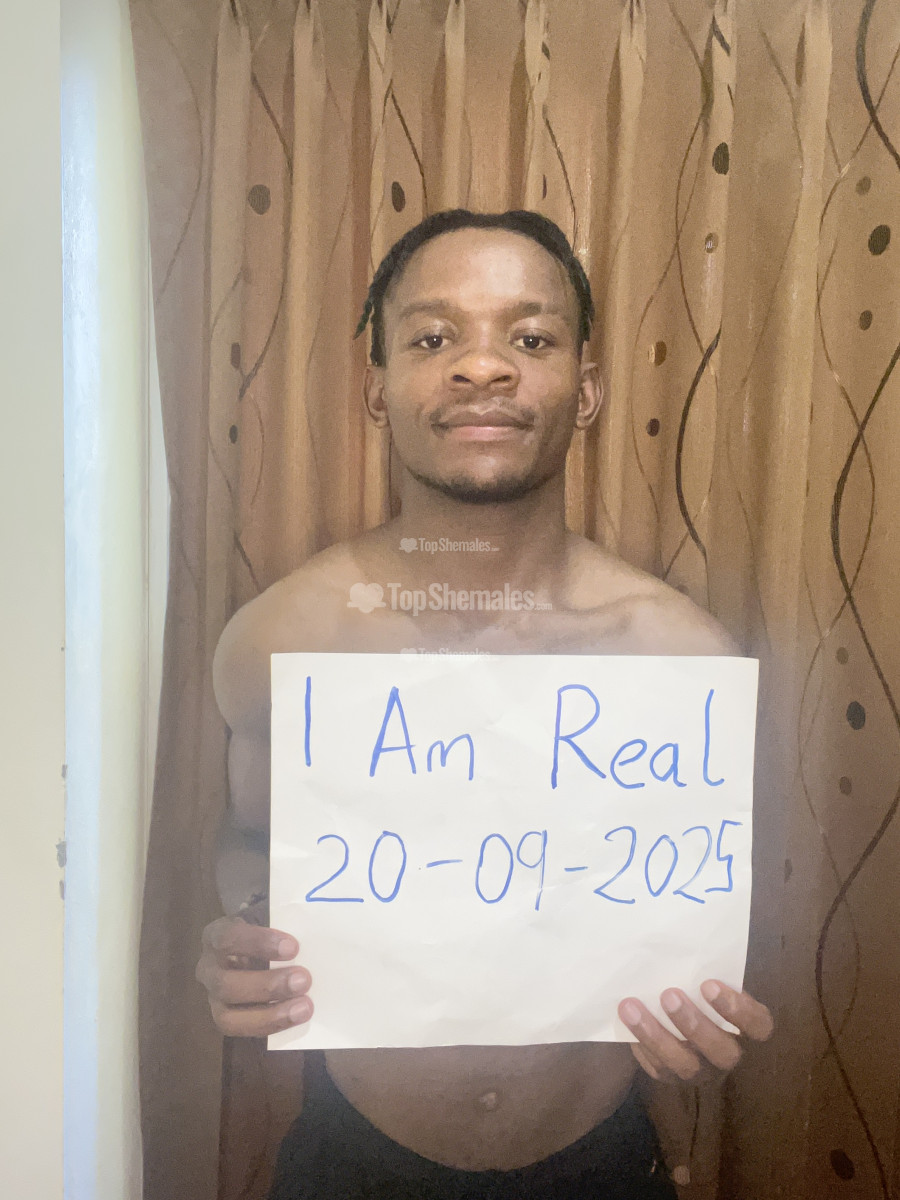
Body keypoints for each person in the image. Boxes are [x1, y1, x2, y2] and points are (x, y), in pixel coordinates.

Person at [195, 210, 773, 1199]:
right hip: (349, 1161)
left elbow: (685, 914)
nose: (481, 367)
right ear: (378, 390)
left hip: (600, 1165)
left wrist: (703, 1018)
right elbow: (247, 841)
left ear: (585, 391)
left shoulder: (678, 660)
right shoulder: (278, 644)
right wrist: (243, 933)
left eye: (531, 338)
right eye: (433, 337)